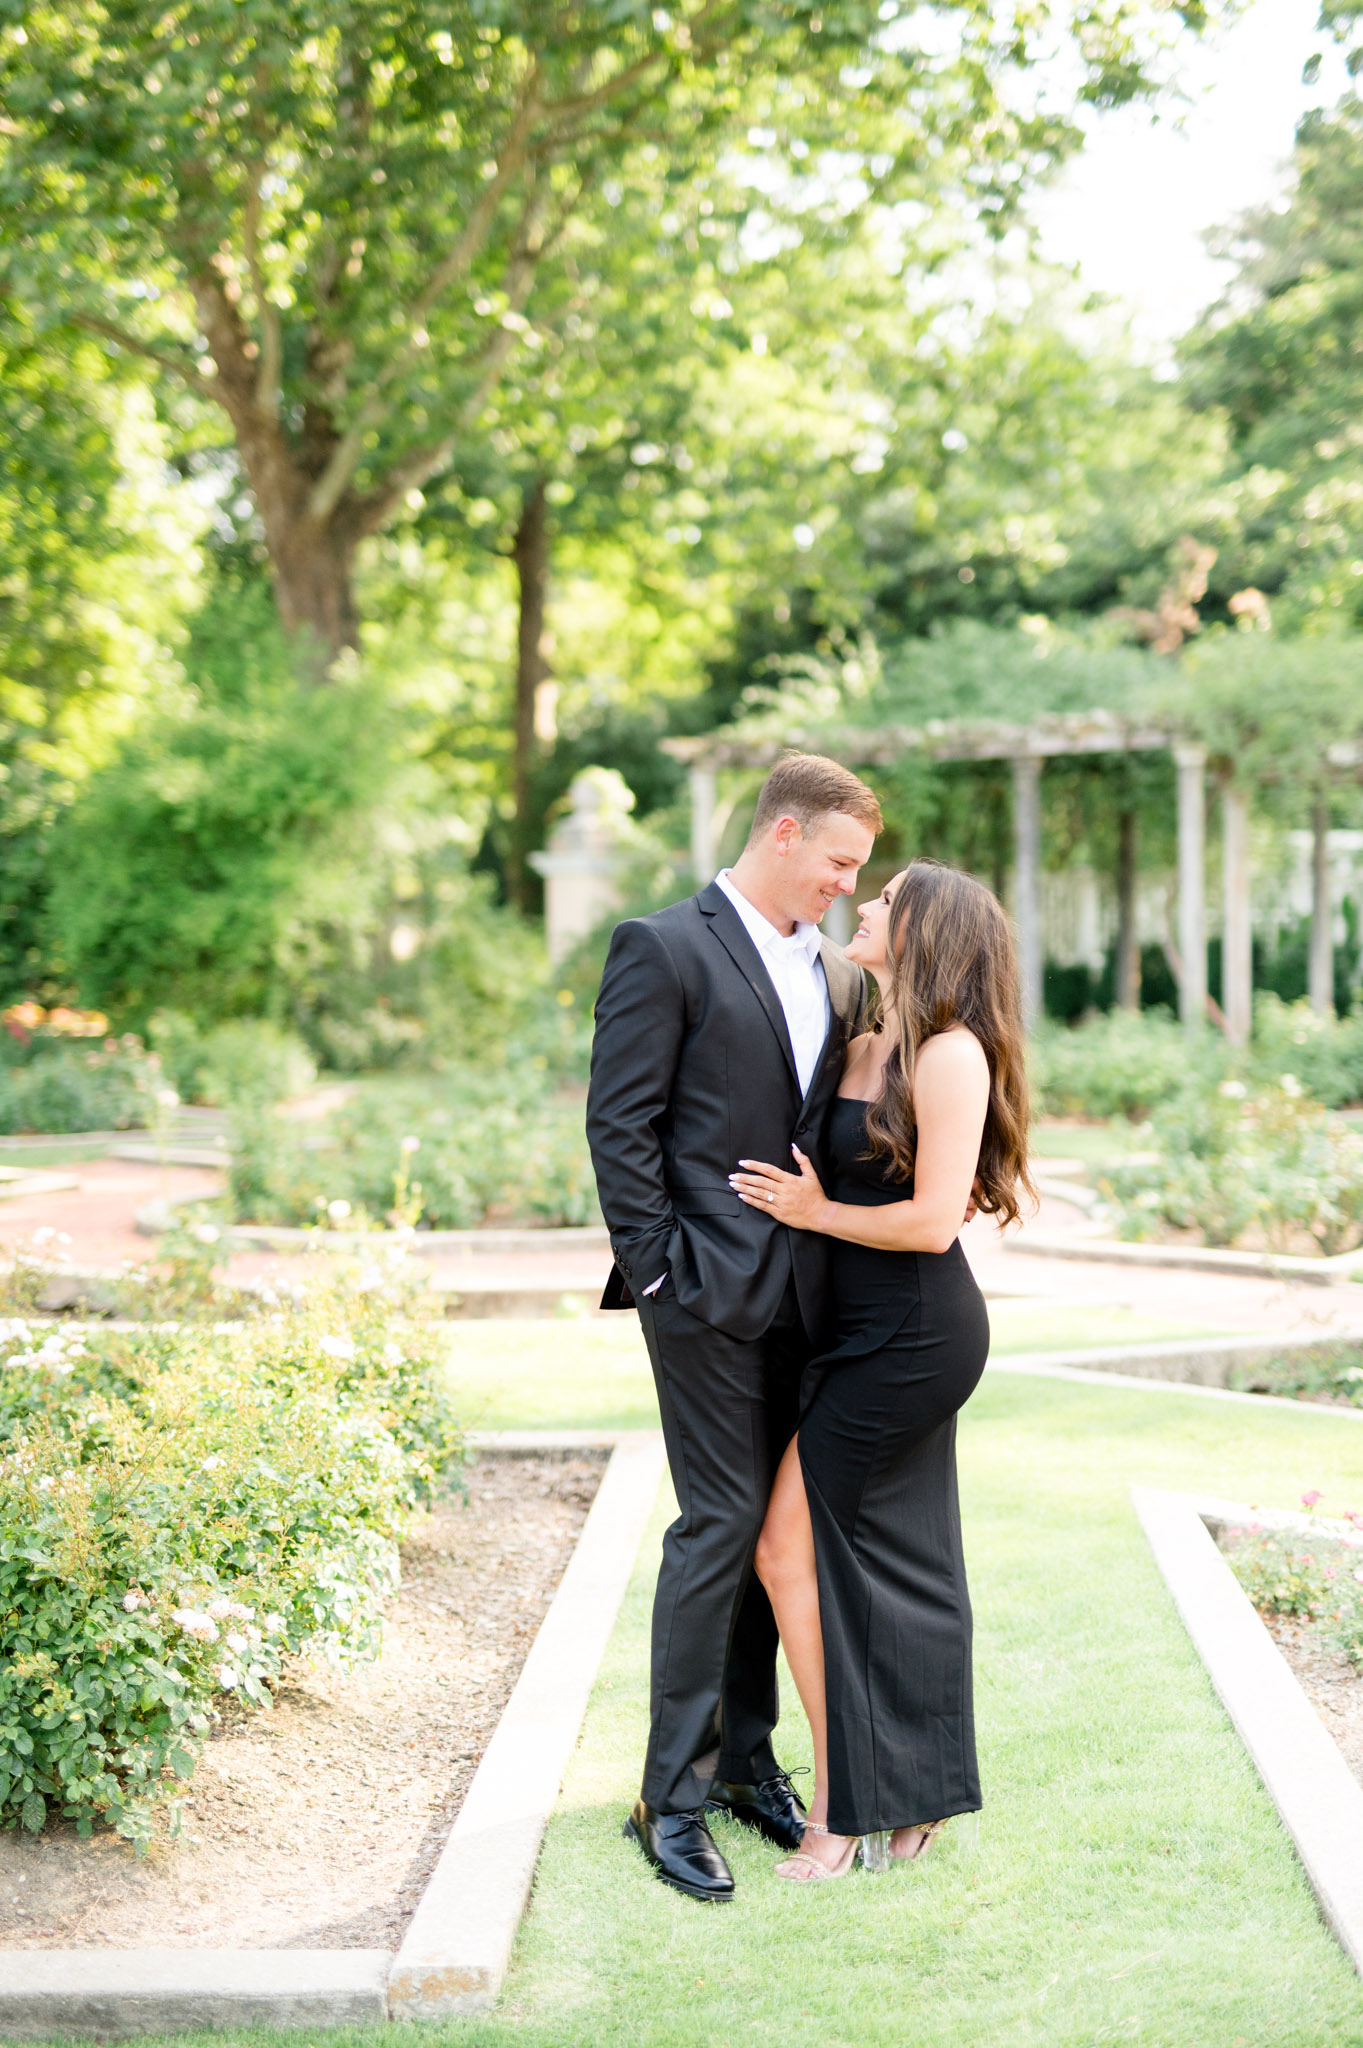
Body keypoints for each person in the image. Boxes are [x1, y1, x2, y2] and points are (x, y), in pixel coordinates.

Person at [585, 753, 883, 1902]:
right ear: (784, 831)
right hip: (700, 1293)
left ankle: (748, 1760)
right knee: (718, 1524)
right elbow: (622, 1126)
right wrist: (660, 1274)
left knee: (776, 1540)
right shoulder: (661, 947)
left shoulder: (838, 976)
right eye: (838, 862)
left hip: (810, 1297)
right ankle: (668, 1792)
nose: (845, 889)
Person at [729, 860, 1032, 1880]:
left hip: (915, 1335)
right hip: (848, 1331)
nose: (865, 905)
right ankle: (914, 1789)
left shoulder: (949, 1056)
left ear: (926, 930)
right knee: (899, 1560)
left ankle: (839, 1804)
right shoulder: (861, 1040)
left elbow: (933, 1218)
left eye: (886, 899)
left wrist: (816, 1211)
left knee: (784, 1548)